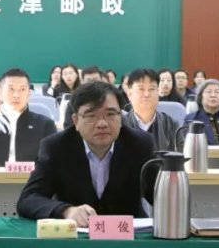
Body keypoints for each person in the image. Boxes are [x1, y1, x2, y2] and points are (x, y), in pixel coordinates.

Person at [17, 81, 156, 225]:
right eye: (91, 116)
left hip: (129, 234)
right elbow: (28, 199)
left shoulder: (140, 144)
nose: (102, 123)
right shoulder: (56, 147)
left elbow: (159, 196)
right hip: (77, 235)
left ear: (120, 117)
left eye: (110, 114)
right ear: (76, 121)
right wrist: (66, 211)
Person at [0, 68, 56, 166]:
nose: (16, 95)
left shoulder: (45, 125)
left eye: (22, 89)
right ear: (1, 94)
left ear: (29, 94)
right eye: (11, 89)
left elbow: (52, 165)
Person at [122, 68, 179, 151]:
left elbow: (181, 155)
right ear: (129, 94)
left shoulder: (171, 124)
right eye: (141, 89)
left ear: (158, 92)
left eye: (152, 89)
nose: (146, 94)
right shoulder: (120, 125)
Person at [185, 79, 219, 145]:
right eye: (209, 92)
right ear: (201, 97)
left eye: (217, 92)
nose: (213, 95)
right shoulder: (192, 119)